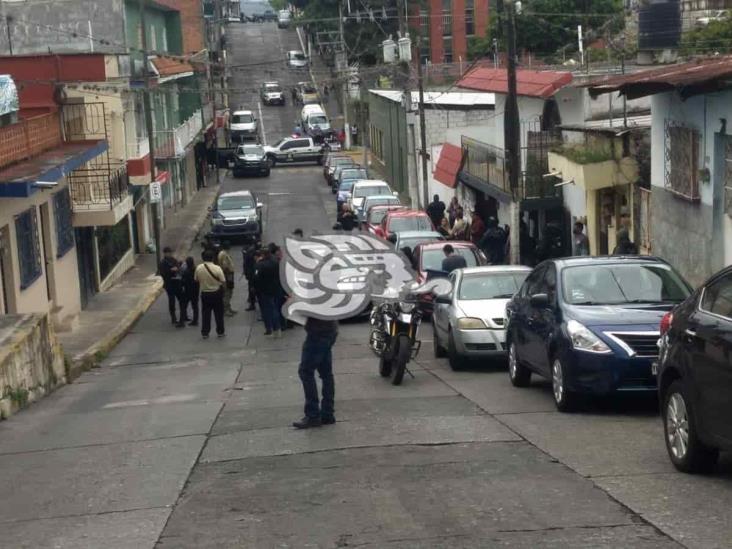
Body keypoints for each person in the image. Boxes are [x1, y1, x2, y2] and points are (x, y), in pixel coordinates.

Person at [293, 317, 339, 429]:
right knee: (326, 374)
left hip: (317, 331)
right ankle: (327, 413)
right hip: (330, 329)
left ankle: (313, 415)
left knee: (306, 371)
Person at [194, 249, 226, 339]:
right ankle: (220, 331)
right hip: (216, 293)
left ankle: (205, 332)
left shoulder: (198, 268)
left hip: (205, 293)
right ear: (212, 258)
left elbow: (196, 280)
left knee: (205, 314)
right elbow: (223, 281)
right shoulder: (217, 268)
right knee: (219, 314)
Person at [254, 248, 282, 337]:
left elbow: (256, 277)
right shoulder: (276, 262)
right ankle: (278, 327)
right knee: (275, 308)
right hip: (276, 288)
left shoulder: (260, 265)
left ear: (263, 255)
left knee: (268, 310)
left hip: (265, 290)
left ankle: (271, 328)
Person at [159, 246, 185, 328]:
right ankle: (173, 317)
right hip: (169, 284)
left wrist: (176, 269)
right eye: (168, 253)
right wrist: (171, 270)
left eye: (170, 252)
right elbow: (163, 273)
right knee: (172, 301)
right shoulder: (163, 263)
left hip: (176, 283)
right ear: (165, 253)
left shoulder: (173, 260)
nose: (170, 254)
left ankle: (182, 317)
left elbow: (179, 268)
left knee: (181, 300)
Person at [217, 241, 237, 317]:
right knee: (227, 292)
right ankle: (225, 310)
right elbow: (225, 266)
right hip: (227, 275)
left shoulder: (224, 253)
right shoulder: (224, 254)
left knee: (229, 292)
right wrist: (229, 275)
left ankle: (228, 308)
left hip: (227, 275)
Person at [181, 256, 199, 326]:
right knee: (195, 306)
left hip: (187, 291)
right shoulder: (196, 270)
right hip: (195, 291)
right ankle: (195, 320)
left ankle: (183, 318)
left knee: (184, 305)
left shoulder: (186, 272)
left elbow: (183, 282)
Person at [242, 243, 259, 311]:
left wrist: (246, 274)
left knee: (252, 288)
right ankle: (252, 301)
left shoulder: (248, 254)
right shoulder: (252, 253)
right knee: (253, 288)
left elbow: (245, 265)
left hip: (251, 275)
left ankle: (252, 302)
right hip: (253, 275)